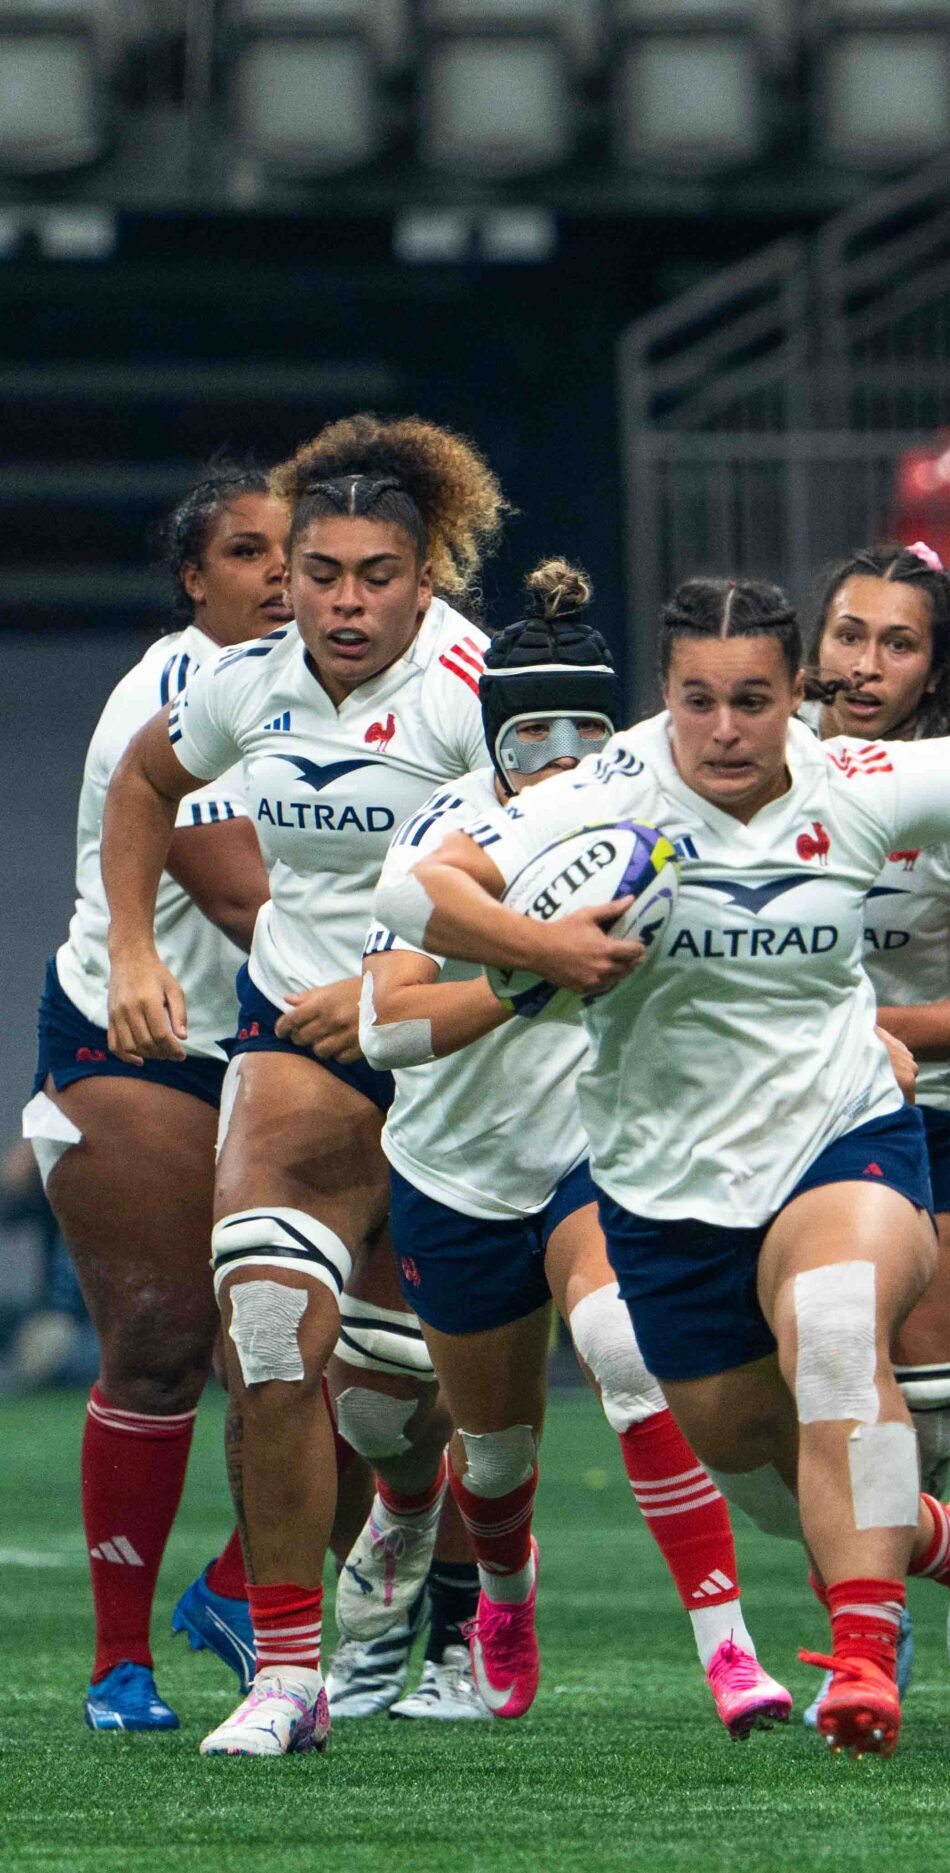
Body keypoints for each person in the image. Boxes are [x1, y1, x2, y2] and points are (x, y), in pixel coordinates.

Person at [393, 575, 950, 1759]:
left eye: (754, 699)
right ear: (667, 695)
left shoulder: (854, 783)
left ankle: (863, 1656)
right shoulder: (601, 794)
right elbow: (417, 887)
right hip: (665, 1195)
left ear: (796, 694)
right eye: (700, 700)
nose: (728, 728)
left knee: (840, 1325)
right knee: (779, 1473)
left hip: (844, 1137)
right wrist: (543, 947)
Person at [101, 416, 508, 1757]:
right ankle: (286, 1673)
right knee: (268, 1327)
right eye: (320, 570)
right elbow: (146, 782)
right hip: (295, 1043)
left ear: (425, 572)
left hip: (459, 1057)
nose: (342, 599)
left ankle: (405, 1514)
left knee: (410, 1405)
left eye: (375, 574)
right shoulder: (246, 679)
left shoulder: (478, 693)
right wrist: (137, 946)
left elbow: (569, 879)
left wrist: (401, 994)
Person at [358, 561, 788, 1733]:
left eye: (583, 727)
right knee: (490, 1459)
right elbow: (385, 1025)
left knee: (621, 1344)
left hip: (591, 1159)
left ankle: (730, 1650)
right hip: (453, 1173)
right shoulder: (445, 834)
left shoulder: (658, 820)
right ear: (492, 738)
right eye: (529, 728)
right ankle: (504, 1591)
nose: (555, 750)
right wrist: (528, 973)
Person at [32, 463, 279, 1729]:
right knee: (163, 1342)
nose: (286, 576)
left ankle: (241, 1588)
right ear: (195, 579)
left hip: (295, 1041)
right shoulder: (185, 689)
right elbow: (245, 896)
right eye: (247, 552)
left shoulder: (369, 692)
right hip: (145, 1044)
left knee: (371, 1353)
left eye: (313, 556)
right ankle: (116, 1665)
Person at [803, 541, 950, 1505]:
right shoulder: (760, 762)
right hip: (776, 1115)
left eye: (897, 645)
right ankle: (864, 1622)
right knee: (815, 1388)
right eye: (848, 635)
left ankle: (902, 1594)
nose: (864, 665)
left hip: (928, 1111)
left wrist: (871, 1028)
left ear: (936, 669)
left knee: (933, 1417)